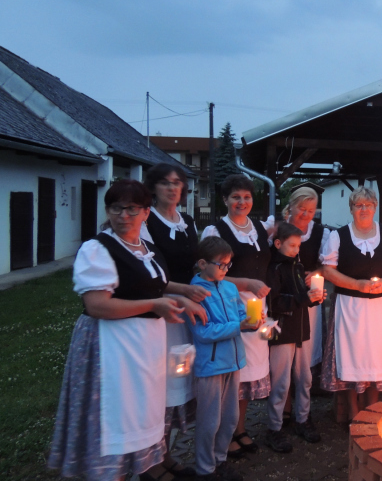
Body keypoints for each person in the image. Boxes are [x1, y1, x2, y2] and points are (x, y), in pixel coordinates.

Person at [48, 180, 206, 481]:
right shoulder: (97, 249)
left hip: (142, 348)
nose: (123, 215)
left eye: (132, 209)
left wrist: (182, 296)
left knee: (138, 417)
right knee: (115, 421)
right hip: (110, 349)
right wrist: (156, 305)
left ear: (146, 212)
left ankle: (146, 468)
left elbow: (150, 285)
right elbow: (97, 306)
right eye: (116, 208)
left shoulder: (145, 248)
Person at [141, 163, 209, 480]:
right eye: (166, 183)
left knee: (178, 383)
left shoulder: (187, 222)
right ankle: (149, 465)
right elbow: (151, 274)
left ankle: (165, 455)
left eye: (177, 183)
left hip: (186, 312)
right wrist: (183, 292)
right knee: (160, 386)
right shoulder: (146, 221)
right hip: (163, 311)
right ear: (153, 187)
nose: (173, 188)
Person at [320, 186, 382, 420]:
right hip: (351, 307)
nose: (364, 209)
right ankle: (354, 412)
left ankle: (373, 411)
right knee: (353, 356)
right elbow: (328, 271)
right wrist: (356, 284)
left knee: (377, 356)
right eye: (358, 205)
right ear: (351, 209)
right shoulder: (338, 236)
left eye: (368, 205)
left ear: (375, 207)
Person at [201, 174, 271, 457]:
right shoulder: (215, 231)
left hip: (256, 307)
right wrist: (247, 284)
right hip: (228, 308)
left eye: (247, 197)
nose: (242, 202)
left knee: (249, 373)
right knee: (232, 373)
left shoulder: (261, 229)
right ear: (225, 200)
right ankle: (224, 435)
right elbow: (207, 276)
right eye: (236, 197)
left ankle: (239, 429)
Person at [189, 237, 256, 481]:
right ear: (202, 264)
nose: (226, 270)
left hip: (234, 361)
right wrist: (238, 326)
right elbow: (203, 333)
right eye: (222, 265)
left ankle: (220, 460)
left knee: (230, 418)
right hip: (211, 365)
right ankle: (205, 469)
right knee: (210, 421)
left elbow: (240, 312)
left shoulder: (228, 287)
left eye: (229, 265)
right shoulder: (196, 293)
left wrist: (250, 320)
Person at [264, 186, 330, 420]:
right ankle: (279, 419)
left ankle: (302, 416)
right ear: (290, 206)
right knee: (281, 373)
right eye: (302, 209)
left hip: (304, 311)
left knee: (304, 370)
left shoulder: (318, 234)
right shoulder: (274, 231)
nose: (306, 214)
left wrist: (316, 284)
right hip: (282, 312)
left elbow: (327, 266)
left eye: (311, 210)